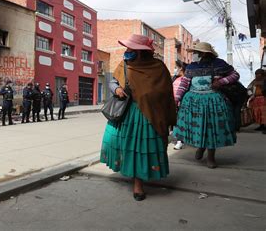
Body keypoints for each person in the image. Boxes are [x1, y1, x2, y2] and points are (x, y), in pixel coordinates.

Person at [100, 34, 176, 201]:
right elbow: (112, 81)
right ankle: (137, 182)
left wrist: (152, 98)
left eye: (131, 49)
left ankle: (140, 180)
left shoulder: (159, 68)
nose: (127, 51)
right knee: (129, 147)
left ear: (141, 52)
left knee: (143, 148)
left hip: (151, 115)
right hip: (129, 112)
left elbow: (166, 93)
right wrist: (116, 90)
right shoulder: (125, 65)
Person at [174, 42, 239, 169]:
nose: (195, 55)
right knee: (199, 127)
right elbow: (184, 84)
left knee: (211, 128)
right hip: (193, 101)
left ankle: (210, 157)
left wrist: (221, 82)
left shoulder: (220, 64)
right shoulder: (192, 67)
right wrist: (177, 98)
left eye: (197, 53)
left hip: (213, 101)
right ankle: (201, 147)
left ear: (204, 53)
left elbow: (235, 75)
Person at [172, 61, 187, 150]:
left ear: (181, 68)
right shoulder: (175, 78)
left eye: (176, 67)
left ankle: (180, 141)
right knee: (177, 122)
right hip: (174, 103)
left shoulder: (186, 79)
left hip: (182, 104)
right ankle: (179, 139)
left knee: (181, 122)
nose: (175, 69)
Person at [247, 69, 266, 133]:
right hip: (256, 99)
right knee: (258, 113)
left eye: (258, 74)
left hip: (263, 99)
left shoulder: (264, 81)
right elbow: (249, 88)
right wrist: (251, 94)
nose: (257, 75)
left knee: (264, 113)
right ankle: (261, 125)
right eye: (256, 74)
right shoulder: (254, 81)